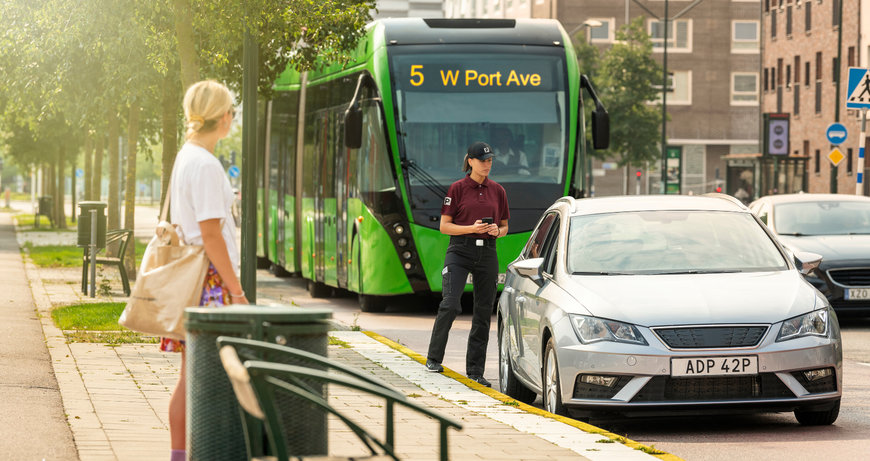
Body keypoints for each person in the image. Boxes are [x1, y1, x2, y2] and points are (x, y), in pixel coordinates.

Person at [163, 80, 249, 461]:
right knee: (210, 379)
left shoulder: (187, 156)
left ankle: (181, 456)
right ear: (225, 117)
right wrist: (237, 290)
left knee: (191, 377)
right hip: (210, 281)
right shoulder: (206, 164)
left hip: (192, 279)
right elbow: (211, 234)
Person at [425, 141, 510, 387]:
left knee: (483, 313)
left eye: (490, 160)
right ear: (470, 161)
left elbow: (505, 226)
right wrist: (471, 229)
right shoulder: (457, 188)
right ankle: (433, 358)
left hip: (488, 253)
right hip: (459, 251)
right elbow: (444, 226)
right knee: (450, 304)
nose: (487, 164)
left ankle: (475, 371)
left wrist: (497, 230)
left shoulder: (498, 191)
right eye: (482, 160)